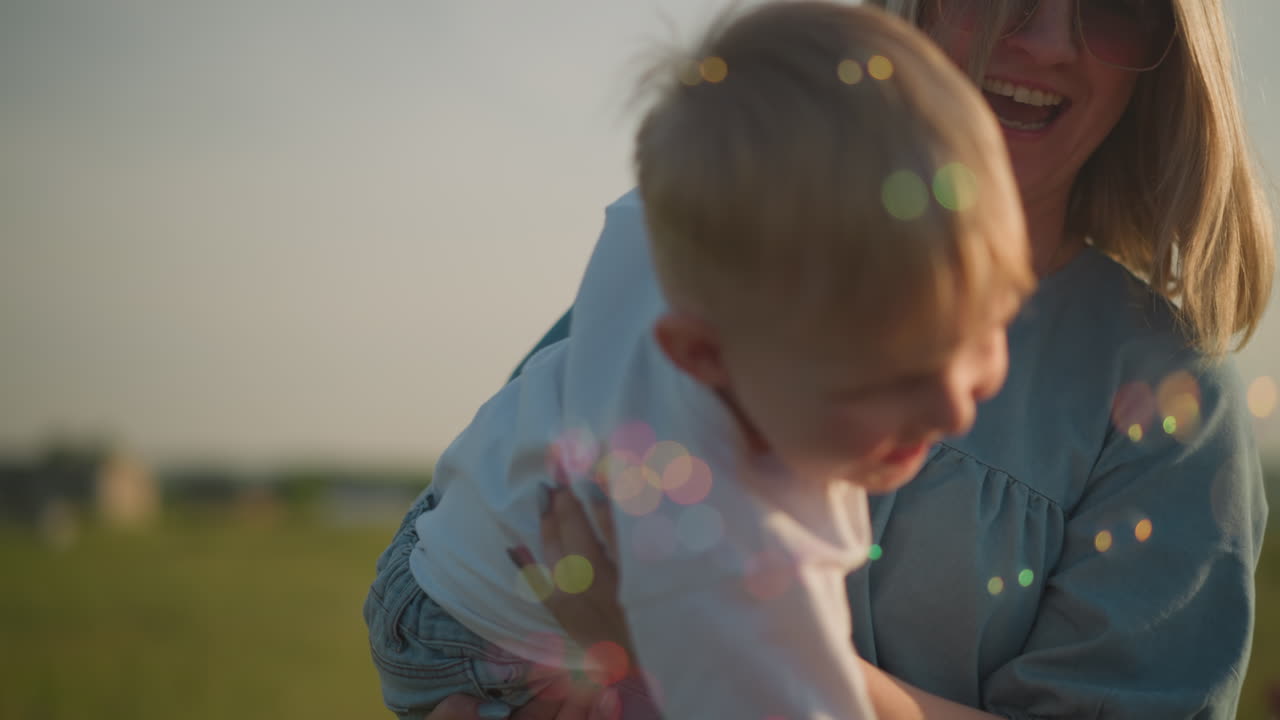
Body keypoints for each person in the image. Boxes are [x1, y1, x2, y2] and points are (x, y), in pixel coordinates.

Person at [427, 0, 1275, 718]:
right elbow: (480, 524)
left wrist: (680, 637)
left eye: (1114, 4)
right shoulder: (744, 238)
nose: (1050, 39)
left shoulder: (1168, 405)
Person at [365, 2, 1036, 718]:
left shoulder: (697, 243)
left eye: (985, 330)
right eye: (891, 378)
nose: (954, 406)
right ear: (704, 356)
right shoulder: (730, 547)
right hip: (476, 644)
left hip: (467, 527)